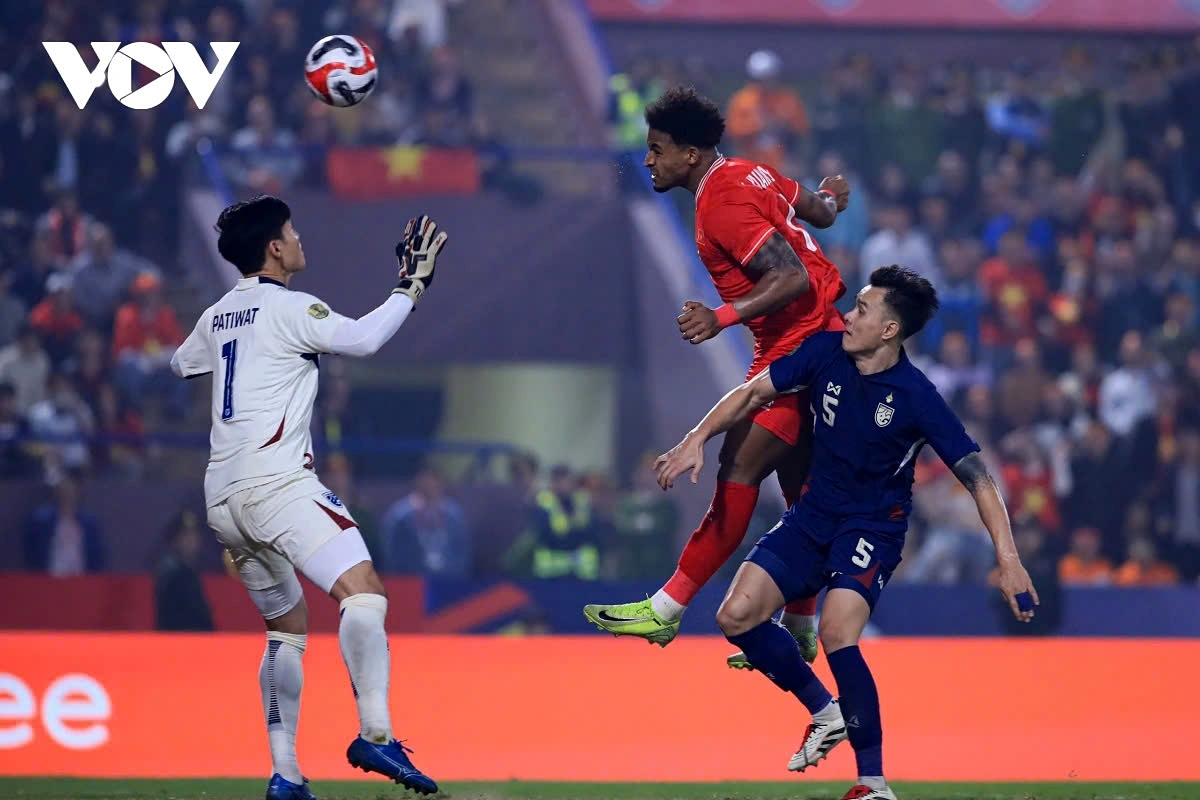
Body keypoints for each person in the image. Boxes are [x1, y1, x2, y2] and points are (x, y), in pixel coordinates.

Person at [654, 266, 1038, 800]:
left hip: (872, 527)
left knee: (837, 631)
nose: (849, 316)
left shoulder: (916, 396)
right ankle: (824, 711)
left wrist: (1010, 559)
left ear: (888, 330)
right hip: (813, 516)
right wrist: (696, 438)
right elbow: (750, 393)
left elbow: (979, 479)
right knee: (735, 615)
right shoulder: (826, 352)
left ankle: (874, 784)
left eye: (862, 309)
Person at [169, 196, 447, 800]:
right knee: (365, 593)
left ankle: (286, 775)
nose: (299, 239)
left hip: (222, 495)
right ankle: (376, 732)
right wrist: (412, 284)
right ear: (274, 248)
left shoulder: (217, 315)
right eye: (291, 232)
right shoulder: (293, 308)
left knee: (286, 628)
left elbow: (180, 364)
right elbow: (366, 340)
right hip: (278, 482)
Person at [583, 86, 850, 667]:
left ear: (692, 154)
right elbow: (821, 212)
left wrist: (719, 316)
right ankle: (802, 625)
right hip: (815, 338)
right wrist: (832, 195)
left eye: (658, 149)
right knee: (799, 493)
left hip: (799, 348)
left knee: (739, 468)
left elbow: (792, 278)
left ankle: (667, 608)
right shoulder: (751, 173)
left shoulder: (719, 201)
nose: (648, 159)